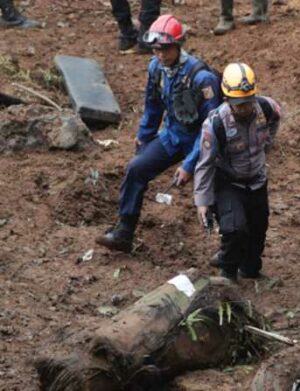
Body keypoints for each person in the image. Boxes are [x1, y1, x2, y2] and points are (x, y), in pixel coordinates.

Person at [96, 14, 222, 253]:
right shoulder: (156, 69)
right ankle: (124, 231)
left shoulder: (201, 78)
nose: (161, 55)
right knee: (136, 168)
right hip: (173, 135)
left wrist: (190, 163)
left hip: (202, 142)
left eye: (165, 49)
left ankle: (228, 248)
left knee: (218, 189)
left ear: (178, 46)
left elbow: (211, 127)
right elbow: (153, 106)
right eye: (156, 50)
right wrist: (144, 136)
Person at [193, 63, 282, 281]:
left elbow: (275, 120)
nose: (244, 108)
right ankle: (227, 272)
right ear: (227, 100)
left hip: (257, 180)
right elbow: (204, 164)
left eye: (247, 102)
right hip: (229, 183)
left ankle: (250, 267)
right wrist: (202, 202)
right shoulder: (215, 124)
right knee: (234, 229)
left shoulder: (266, 108)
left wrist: (267, 143)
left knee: (258, 228)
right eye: (238, 104)